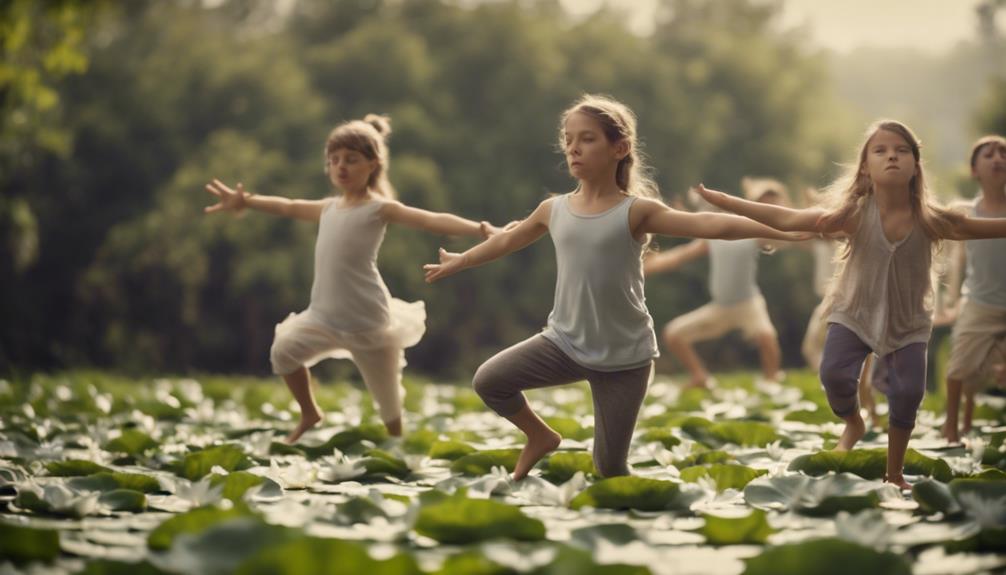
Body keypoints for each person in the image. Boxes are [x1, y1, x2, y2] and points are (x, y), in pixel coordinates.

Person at [424, 95, 803, 480]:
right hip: (564, 343)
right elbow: (506, 240)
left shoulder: (636, 210)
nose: (573, 147)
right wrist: (463, 259)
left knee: (610, 470)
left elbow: (715, 227)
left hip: (625, 358)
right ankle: (540, 436)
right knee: (489, 381)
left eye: (586, 139)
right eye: (568, 139)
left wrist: (787, 227)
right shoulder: (553, 209)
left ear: (619, 148)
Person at [695, 120, 1006, 489]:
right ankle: (853, 422)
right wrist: (729, 202)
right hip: (854, 313)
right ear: (865, 168)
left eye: (902, 150)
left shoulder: (932, 219)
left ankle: (895, 474)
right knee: (834, 375)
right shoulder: (854, 215)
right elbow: (789, 218)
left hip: (908, 322)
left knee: (908, 393)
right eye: (881, 150)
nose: (892, 155)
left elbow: (989, 227)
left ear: (916, 166)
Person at [203, 114, 498, 443]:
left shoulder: (379, 208)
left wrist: (481, 229)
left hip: (368, 321)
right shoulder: (328, 208)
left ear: (372, 164)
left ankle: (398, 446)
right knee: (283, 351)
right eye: (334, 160)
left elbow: (431, 220)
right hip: (323, 317)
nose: (340, 167)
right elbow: (286, 206)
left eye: (351, 160)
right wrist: (245, 201)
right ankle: (309, 413)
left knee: (389, 403)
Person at [645, 178, 789, 388]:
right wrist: (647, 267)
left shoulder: (756, 232)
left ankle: (772, 380)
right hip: (720, 307)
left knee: (767, 337)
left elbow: (784, 228)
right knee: (673, 334)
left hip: (748, 304)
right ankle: (700, 376)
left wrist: (786, 213)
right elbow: (680, 256)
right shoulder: (714, 235)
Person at [942, 135, 1006, 443]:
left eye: (1003, 153)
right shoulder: (964, 211)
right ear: (974, 170)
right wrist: (951, 301)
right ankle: (951, 429)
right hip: (979, 303)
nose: (998, 159)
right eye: (988, 154)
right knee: (958, 371)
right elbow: (956, 260)